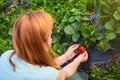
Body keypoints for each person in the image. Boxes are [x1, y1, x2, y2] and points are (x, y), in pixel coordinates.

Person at [0, 10, 88, 80]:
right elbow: (64, 73)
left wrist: (66, 57)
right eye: (50, 35)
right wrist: (78, 60)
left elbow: (40, 67)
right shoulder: (45, 75)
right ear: (41, 43)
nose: (51, 39)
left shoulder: (6, 56)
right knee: (77, 77)